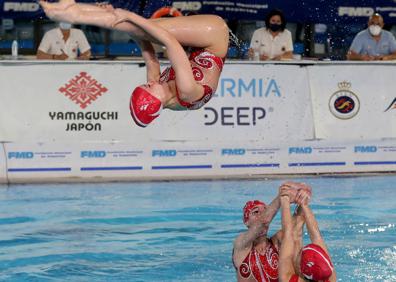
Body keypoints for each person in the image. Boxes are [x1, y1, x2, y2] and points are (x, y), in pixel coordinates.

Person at [39, 0, 229, 127]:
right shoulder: (187, 92)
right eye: (148, 87)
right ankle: (74, 14)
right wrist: (129, 16)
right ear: (157, 102)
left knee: (139, 29)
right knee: (143, 26)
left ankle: (79, 9)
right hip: (215, 37)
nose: (151, 82)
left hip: (199, 46)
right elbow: (170, 42)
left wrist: (113, 17)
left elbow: (147, 51)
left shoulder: (157, 87)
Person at [232, 182, 311, 282]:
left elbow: (297, 229)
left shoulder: (277, 242)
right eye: (256, 212)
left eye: (265, 211)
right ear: (246, 221)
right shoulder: (240, 244)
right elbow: (263, 222)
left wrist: (303, 198)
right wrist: (281, 196)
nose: (261, 215)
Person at [278, 183, 336, 282]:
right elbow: (316, 237)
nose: (301, 247)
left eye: (301, 253)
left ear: (301, 269)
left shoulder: (287, 279)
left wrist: (284, 197)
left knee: (294, 241)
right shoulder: (329, 277)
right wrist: (304, 204)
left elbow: (288, 234)